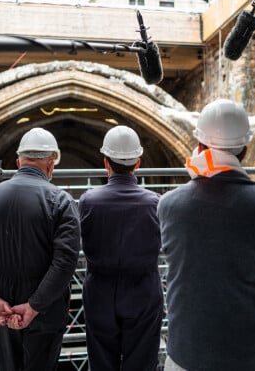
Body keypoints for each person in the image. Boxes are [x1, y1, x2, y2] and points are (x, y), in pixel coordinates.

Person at [157, 99, 255, 371]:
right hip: (254, 357)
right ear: (245, 150)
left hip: (188, 356)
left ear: (199, 146)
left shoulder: (169, 205)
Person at [0, 127, 81, 371]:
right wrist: (35, 305)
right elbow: (65, 262)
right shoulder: (61, 201)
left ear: (18, 162)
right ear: (50, 164)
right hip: (45, 310)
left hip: (3, 308)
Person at [79, 125, 163, 371]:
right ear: (137, 163)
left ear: (106, 162)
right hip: (143, 291)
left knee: (102, 361)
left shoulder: (88, 201)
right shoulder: (155, 202)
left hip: (99, 290)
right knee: (142, 361)